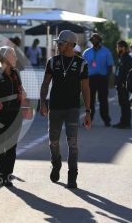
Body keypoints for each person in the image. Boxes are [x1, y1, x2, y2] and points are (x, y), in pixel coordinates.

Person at [40, 30, 91, 189]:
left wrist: (88, 111)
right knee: (53, 142)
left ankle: (72, 176)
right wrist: (42, 103)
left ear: (70, 44)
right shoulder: (52, 61)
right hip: (55, 107)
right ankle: (56, 163)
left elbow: (86, 88)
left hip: (72, 109)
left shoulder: (81, 63)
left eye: (60, 43)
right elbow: (45, 83)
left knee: (72, 143)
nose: (58, 45)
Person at [0, 45, 29, 187]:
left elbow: (21, 91)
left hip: (14, 117)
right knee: (0, 146)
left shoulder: (16, 73)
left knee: (11, 147)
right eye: (14, 55)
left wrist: (24, 96)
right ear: (6, 58)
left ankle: (7, 175)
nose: (16, 58)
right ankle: (2, 174)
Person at [83, 33, 114, 127]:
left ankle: (106, 120)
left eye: (96, 39)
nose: (94, 40)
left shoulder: (106, 51)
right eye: (93, 39)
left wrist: (107, 78)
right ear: (91, 41)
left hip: (102, 79)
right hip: (90, 79)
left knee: (103, 100)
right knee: (89, 101)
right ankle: (89, 120)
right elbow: (83, 67)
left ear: (99, 40)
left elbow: (110, 66)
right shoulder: (86, 52)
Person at [113, 40, 132, 129]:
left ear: (123, 48)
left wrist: (123, 83)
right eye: (117, 47)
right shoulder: (121, 57)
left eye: (118, 47)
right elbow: (119, 71)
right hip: (119, 85)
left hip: (124, 85)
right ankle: (122, 122)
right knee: (122, 104)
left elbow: (126, 73)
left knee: (125, 104)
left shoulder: (128, 59)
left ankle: (127, 123)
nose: (117, 49)